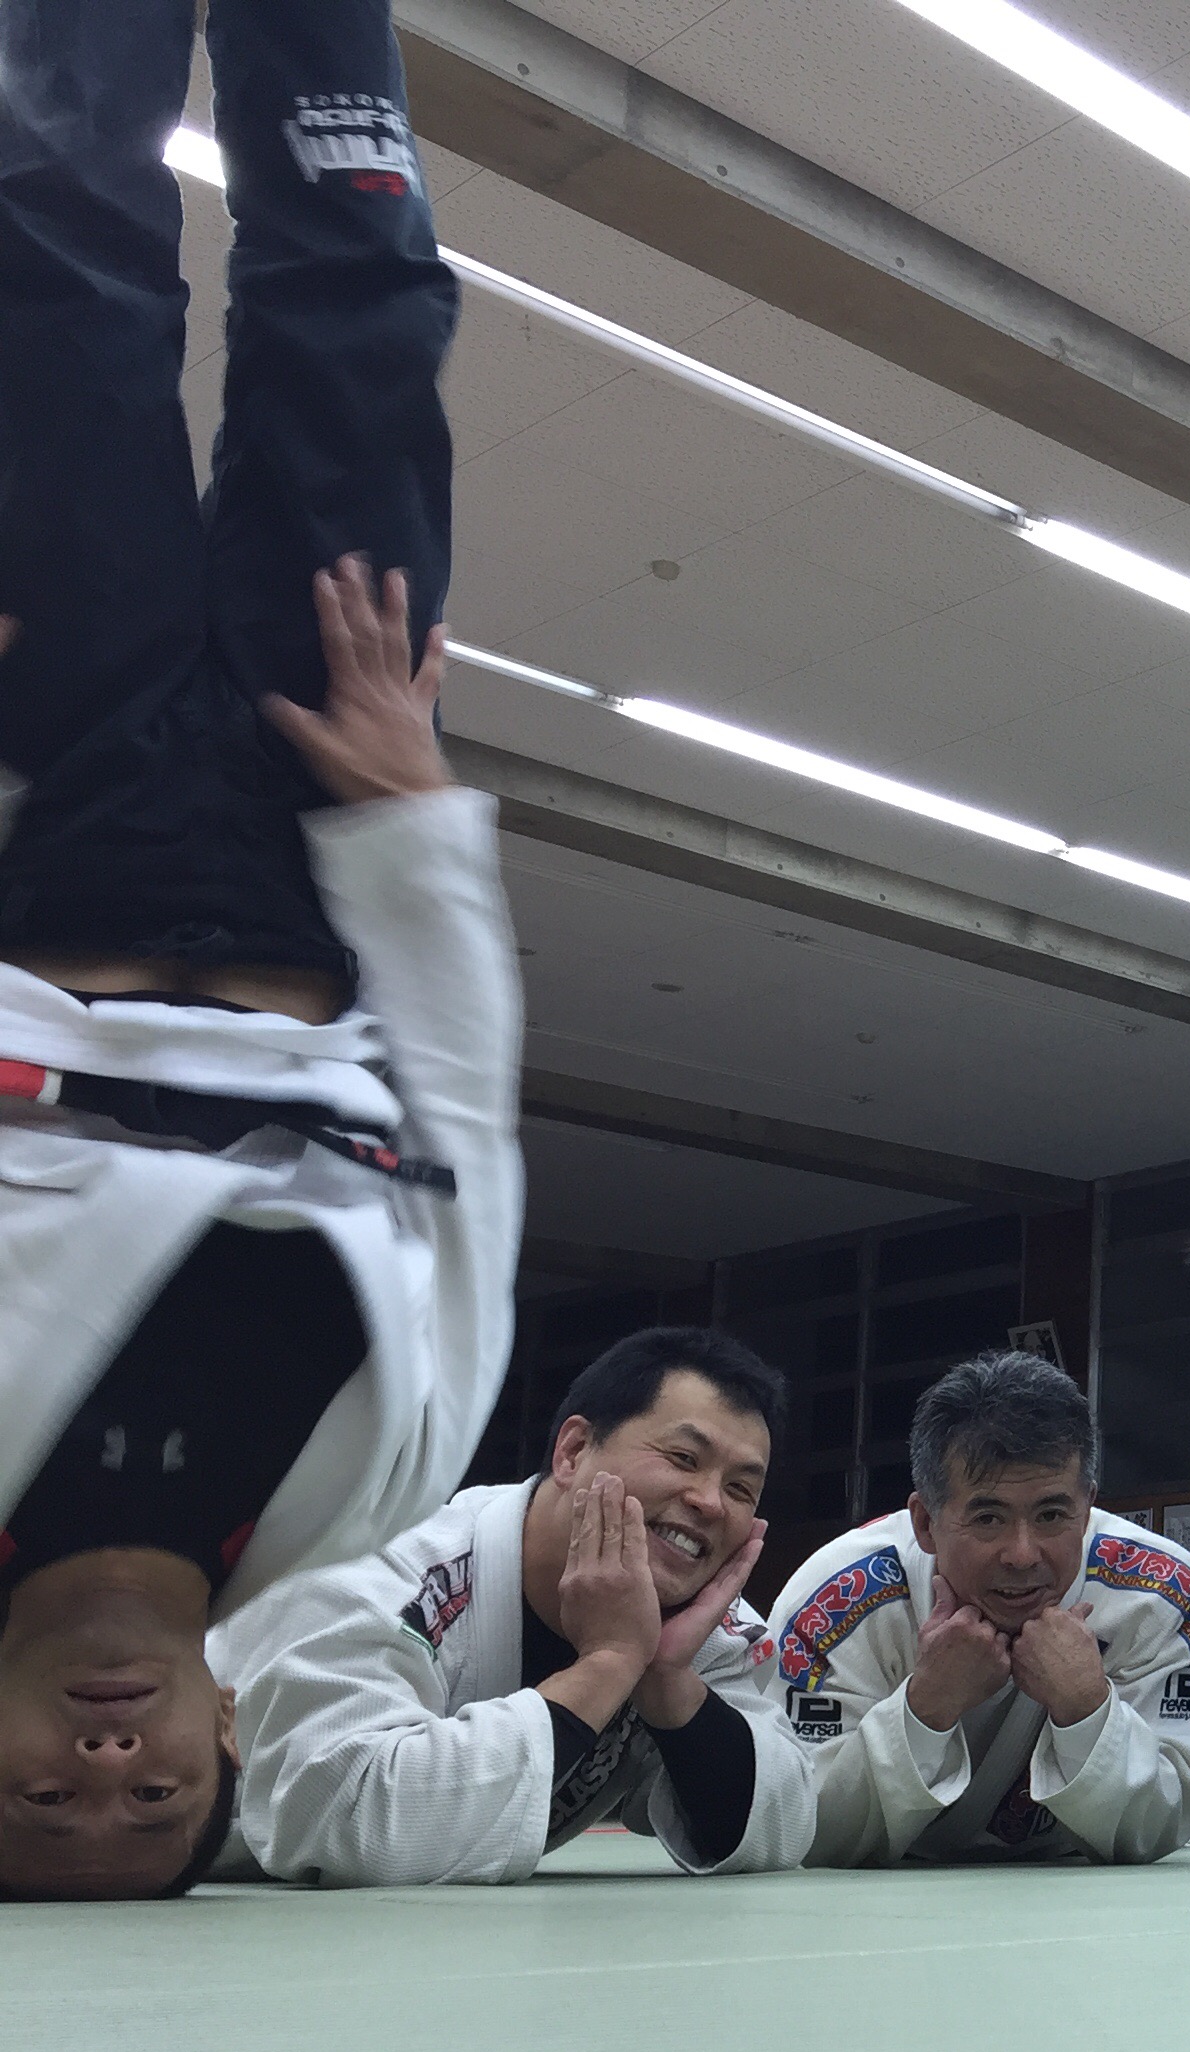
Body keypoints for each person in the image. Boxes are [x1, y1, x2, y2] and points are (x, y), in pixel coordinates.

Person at [0, 0, 518, 1900]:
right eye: (156, 1808)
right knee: (362, 313)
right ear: (231, 1738)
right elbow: (462, 1141)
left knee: (62, 273)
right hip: (323, 824)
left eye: (40, 1805)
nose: (106, 1768)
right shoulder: (368, 1485)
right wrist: (415, 822)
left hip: (57, 808)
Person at [210, 1329, 815, 1884]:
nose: (710, 1502)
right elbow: (343, 1817)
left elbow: (785, 1821)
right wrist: (608, 1663)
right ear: (573, 1451)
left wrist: (668, 1681)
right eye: (683, 1459)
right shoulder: (379, 1567)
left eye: (741, 1488)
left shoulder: (704, 1627)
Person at [766, 1350, 1190, 1866]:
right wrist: (926, 1706)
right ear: (925, 1522)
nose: (1022, 1555)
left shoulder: (1159, 1590)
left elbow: (1173, 1814)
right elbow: (801, 1822)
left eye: (1052, 1515)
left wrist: (1086, 1706)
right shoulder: (834, 1603)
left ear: (1087, 1508)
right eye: (988, 1519)